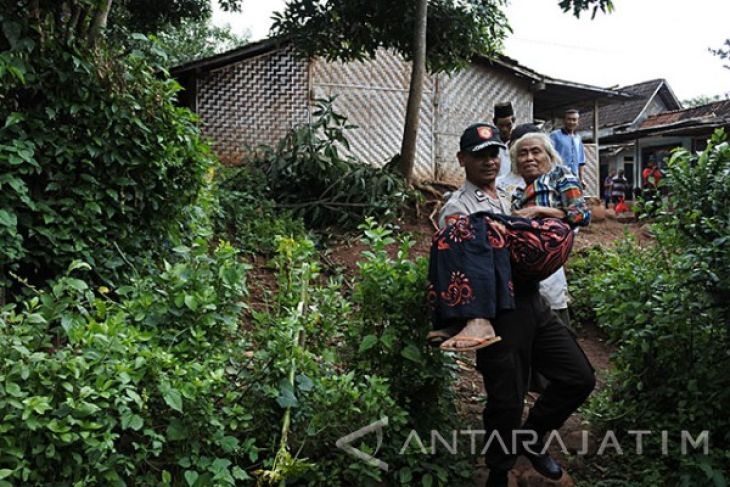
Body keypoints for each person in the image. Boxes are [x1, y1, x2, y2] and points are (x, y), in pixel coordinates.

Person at [436, 124, 595, 487]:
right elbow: (460, 264)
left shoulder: (509, 195)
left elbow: (559, 220)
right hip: (497, 312)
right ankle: (499, 470)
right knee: (505, 400)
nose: (489, 161)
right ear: (462, 160)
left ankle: (533, 437)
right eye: (479, 155)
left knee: (578, 377)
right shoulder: (458, 207)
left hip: (532, 301)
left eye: (494, 153)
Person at [550, 109, 586, 184]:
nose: (571, 122)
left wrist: (581, 179)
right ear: (564, 121)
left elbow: (581, 161)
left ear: (578, 122)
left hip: (574, 177)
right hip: (558, 177)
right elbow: (548, 155)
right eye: (569, 119)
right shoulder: (555, 135)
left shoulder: (578, 138)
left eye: (574, 120)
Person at [493, 102, 516, 179]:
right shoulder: (492, 145)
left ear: (513, 121)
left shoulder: (518, 144)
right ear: (495, 123)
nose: (504, 129)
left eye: (508, 125)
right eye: (501, 125)